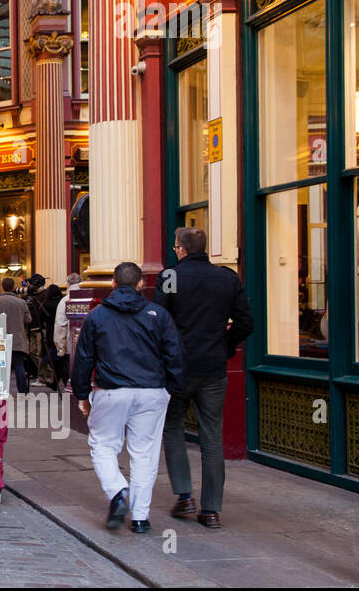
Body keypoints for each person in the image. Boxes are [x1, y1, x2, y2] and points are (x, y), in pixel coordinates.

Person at [72, 262, 186, 534]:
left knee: (103, 445)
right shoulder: (158, 314)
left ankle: (118, 491)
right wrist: (173, 389)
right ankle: (140, 517)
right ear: (140, 285)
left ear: (112, 284)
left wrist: (81, 393)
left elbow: (84, 358)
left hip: (111, 390)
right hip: (151, 391)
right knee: (144, 453)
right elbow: (174, 355)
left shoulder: (97, 317)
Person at [153, 226, 254, 530]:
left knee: (173, 427)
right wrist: (224, 346)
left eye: (175, 248)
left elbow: (158, 321)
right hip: (212, 367)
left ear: (181, 249)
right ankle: (211, 510)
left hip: (178, 367)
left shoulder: (170, 277)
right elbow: (246, 322)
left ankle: (184, 494)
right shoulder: (226, 277)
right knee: (212, 437)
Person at [0, 276, 33, 394]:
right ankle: (23, 392)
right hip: (18, 338)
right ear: (13, 287)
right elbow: (28, 319)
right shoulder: (21, 302)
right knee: (19, 365)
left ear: (2, 287)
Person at [53, 273, 83, 388]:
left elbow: (60, 325)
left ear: (68, 284)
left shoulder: (65, 300)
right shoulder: (86, 297)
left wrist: (61, 348)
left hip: (71, 345)